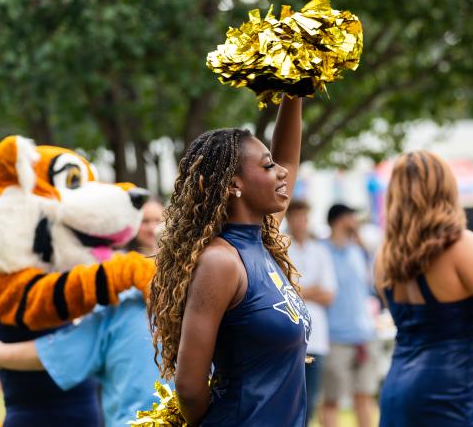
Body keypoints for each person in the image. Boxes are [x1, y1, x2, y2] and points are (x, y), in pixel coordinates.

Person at [148, 96, 310, 426]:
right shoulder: (221, 262)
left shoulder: (262, 241)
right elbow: (190, 387)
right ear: (234, 184)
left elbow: (289, 161)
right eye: (267, 166)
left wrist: (295, 87)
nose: (280, 173)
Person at [375, 151, 473, 426]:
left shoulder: (385, 257)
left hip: (396, 395)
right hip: (449, 396)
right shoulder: (461, 246)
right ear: (446, 189)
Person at [0, 201, 166, 427]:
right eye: (146, 221)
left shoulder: (120, 304)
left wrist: (2, 355)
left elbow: (65, 350)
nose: (151, 229)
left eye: (157, 222)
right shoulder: (202, 292)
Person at [321, 203, 378, 427]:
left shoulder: (358, 251)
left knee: (364, 397)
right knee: (331, 401)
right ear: (340, 219)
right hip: (335, 338)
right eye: (352, 217)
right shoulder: (321, 251)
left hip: (364, 335)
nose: (356, 221)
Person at [286, 199, 337, 423]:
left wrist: (299, 290)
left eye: (304, 216)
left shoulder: (319, 251)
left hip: (316, 338)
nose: (301, 222)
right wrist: (310, 290)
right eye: (296, 216)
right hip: (289, 336)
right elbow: (283, 291)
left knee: (310, 398)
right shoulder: (282, 248)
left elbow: (329, 294)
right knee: (289, 398)